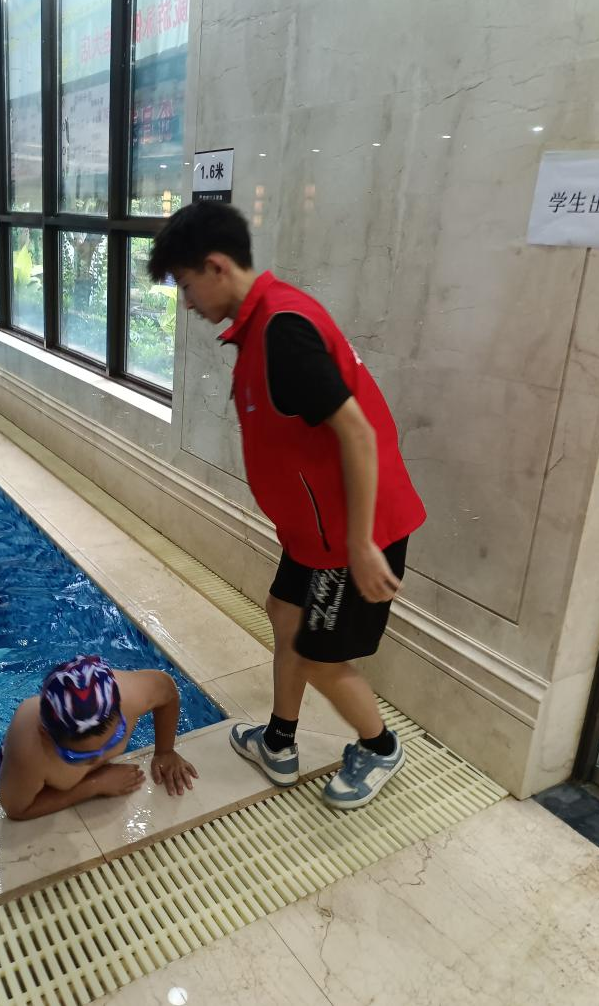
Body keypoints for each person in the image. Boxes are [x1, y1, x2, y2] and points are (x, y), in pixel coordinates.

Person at [148, 201, 426, 811]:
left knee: (321, 658)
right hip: (316, 530)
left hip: (349, 532)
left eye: (186, 285)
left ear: (217, 267)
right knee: (284, 612)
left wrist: (360, 545)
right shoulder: (263, 324)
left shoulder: (283, 332)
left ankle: (380, 747)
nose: (187, 302)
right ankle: (279, 741)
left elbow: (357, 434)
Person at [0, 654, 199, 820]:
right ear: (46, 735)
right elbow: (17, 809)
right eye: (77, 756)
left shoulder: (130, 695)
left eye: (113, 740)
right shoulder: (29, 751)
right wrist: (95, 785)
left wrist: (165, 751)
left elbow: (167, 691)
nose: (97, 759)